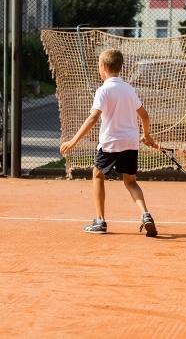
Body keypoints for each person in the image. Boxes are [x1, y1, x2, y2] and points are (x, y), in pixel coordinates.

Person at [60, 48, 158, 237]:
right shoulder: (129, 89)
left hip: (111, 142)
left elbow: (93, 118)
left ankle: (99, 221)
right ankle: (145, 214)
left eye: (99, 66)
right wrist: (147, 136)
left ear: (103, 67)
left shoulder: (103, 90)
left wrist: (73, 141)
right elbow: (144, 116)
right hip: (130, 142)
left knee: (97, 175)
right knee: (130, 182)